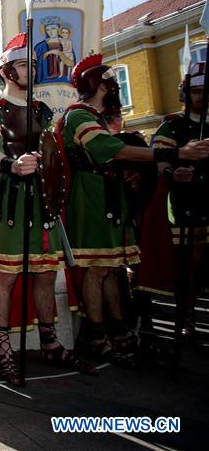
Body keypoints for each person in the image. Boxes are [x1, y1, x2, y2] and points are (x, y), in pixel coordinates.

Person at [57, 54, 209, 366]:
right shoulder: (78, 116)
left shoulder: (94, 118)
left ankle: (121, 332)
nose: (115, 87)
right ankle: (96, 337)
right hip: (89, 198)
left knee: (113, 268)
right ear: (97, 84)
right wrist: (177, 152)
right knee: (96, 268)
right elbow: (110, 149)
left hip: (108, 196)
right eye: (110, 81)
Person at [0, 33, 92, 387]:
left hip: (43, 199)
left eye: (34, 65)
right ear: (7, 71)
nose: (32, 70)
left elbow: (51, 151)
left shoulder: (40, 110)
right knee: (6, 275)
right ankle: (2, 347)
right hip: (12, 197)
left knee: (44, 272)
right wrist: (10, 163)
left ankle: (50, 342)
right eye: (25, 65)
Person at [148, 61, 208, 338]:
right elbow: (160, 160)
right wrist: (174, 170)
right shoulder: (173, 126)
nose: (201, 96)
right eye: (196, 91)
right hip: (188, 202)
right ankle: (187, 315)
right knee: (189, 265)